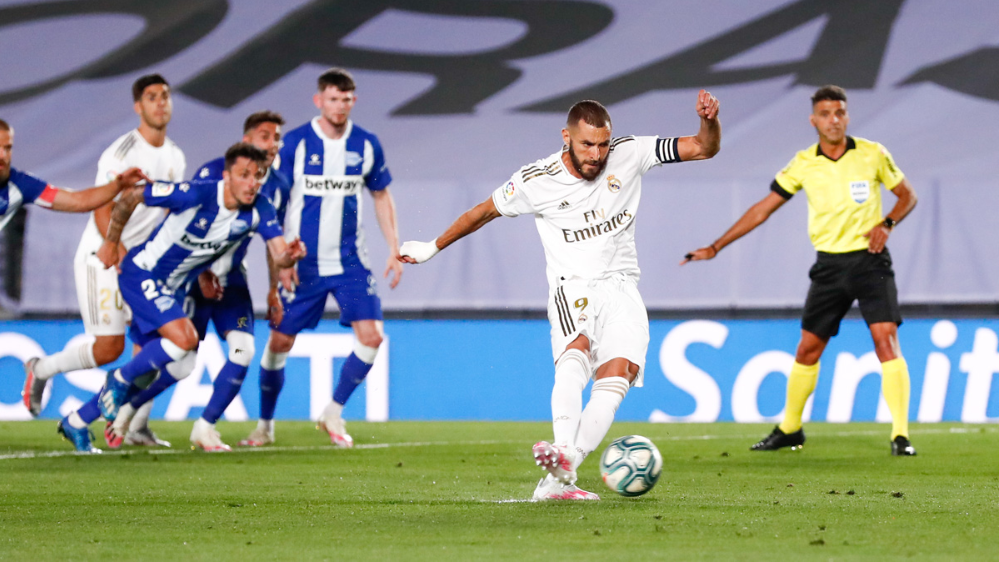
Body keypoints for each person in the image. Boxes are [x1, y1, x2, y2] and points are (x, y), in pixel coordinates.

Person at [399, 92, 721, 500]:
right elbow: (482, 212)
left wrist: (709, 121)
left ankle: (558, 478)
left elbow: (704, 148)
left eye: (603, 144)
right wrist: (432, 247)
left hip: (623, 286)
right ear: (566, 137)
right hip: (574, 285)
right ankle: (563, 451)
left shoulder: (632, 152)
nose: (597, 154)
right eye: (587, 144)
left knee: (617, 377)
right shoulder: (536, 179)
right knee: (576, 352)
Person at [682, 85, 918, 456]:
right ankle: (791, 428)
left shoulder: (873, 154)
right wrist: (716, 246)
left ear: (847, 116)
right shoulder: (804, 163)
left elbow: (907, 195)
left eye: (839, 112)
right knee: (808, 348)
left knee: (885, 339)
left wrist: (886, 223)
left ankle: (900, 436)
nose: (833, 120)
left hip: (870, 262)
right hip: (829, 265)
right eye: (825, 114)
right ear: (814, 120)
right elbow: (763, 208)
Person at [54, 143, 305, 453]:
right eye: (244, 175)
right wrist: (111, 242)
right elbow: (133, 195)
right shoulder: (196, 194)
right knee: (184, 339)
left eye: (258, 175)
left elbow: (279, 254)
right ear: (227, 176)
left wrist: (290, 259)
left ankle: (78, 420)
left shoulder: (260, 209)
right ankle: (120, 381)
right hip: (144, 275)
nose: (252, 182)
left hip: (198, 292)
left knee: (183, 364)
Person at [105, 111, 292, 451]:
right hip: (193, 281)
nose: (274, 144)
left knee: (243, 350)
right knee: (180, 360)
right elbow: (183, 218)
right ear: (246, 141)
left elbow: (273, 244)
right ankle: (131, 412)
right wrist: (200, 271)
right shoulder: (211, 174)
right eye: (266, 136)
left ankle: (204, 427)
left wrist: (273, 288)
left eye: (278, 137)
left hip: (232, 284)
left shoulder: (276, 188)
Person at [23, 74, 186, 448]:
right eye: (151, 97)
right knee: (109, 349)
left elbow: (166, 214)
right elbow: (102, 209)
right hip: (105, 257)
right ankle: (41, 368)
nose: (161, 103)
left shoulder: (175, 155)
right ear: (138, 107)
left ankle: (136, 424)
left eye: (165, 96)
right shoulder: (122, 152)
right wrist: (122, 254)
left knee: (154, 342)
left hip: (140, 264)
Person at [245, 68, 403, 449]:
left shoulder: (366, 144)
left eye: (346, 99)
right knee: (280, 342)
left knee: (372, 337)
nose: (340, 106)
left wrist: (394, 247)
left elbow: (381, 195)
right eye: (333, 98)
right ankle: (265, 425)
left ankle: (333, 410)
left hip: (350, 262)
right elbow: (272, 208)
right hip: (304, 265)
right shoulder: (295, 144)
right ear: (319, 101)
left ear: (354, 101)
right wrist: (280, 261)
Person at [0, 119, 147, 231]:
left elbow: (79, 201)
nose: (3, 155)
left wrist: (118, 184)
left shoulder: (22, 185)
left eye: (7, 148)